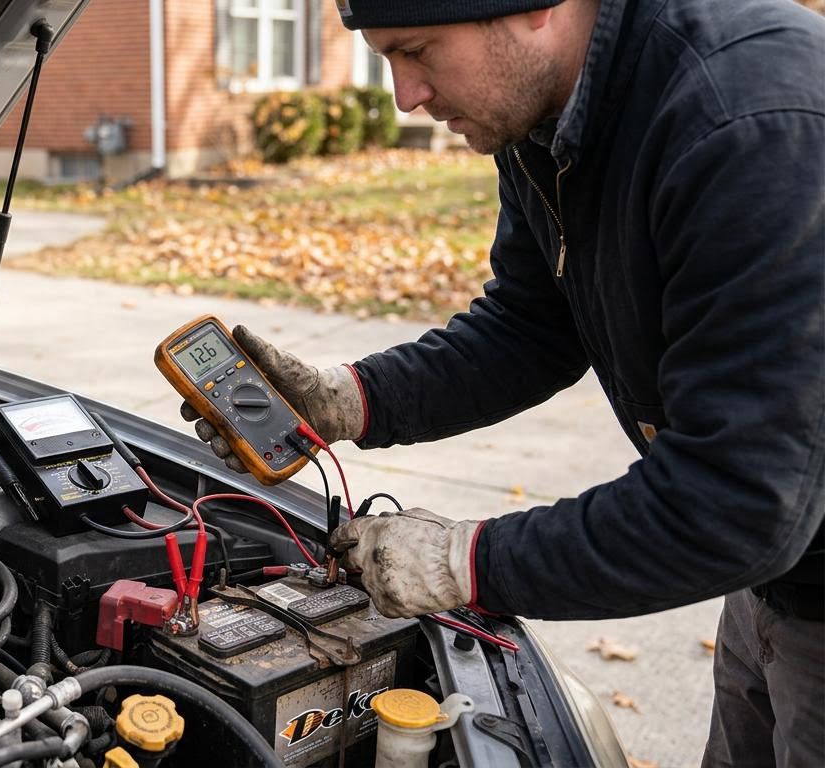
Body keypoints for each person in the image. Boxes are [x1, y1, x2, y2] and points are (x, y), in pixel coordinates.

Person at [180, 0, 823, 763]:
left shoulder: (750, 124)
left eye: (417, 50)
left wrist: (466, 563)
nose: (404, 95)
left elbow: (738, 504)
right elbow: (532, 324)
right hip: (779, 577)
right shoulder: (546, 114)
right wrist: (350, 397)